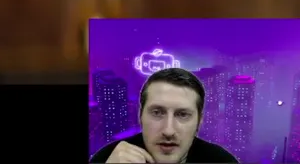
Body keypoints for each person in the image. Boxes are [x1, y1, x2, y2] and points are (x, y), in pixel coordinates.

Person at [90, 68, 237, 163]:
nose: (168, 131)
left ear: (199, 121)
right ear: (140, 116)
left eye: (183, 115)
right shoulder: (108, 158)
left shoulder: (222, 161)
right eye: (157, 113)